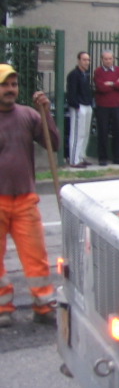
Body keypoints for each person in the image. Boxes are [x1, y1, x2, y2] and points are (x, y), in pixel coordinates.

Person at [0, 64, 61, 327]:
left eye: (13, 85)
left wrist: (45, 114)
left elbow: (53, 144)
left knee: (36, 256)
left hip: (25, 199)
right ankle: (3, 308)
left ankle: (43, 305)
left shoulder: (28, 115)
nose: (10, 90)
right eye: (5, 85)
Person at [93, 50, 119, 166]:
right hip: (103, 106)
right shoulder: (98, 72)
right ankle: (102, 158)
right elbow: (100, 87)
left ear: (113, 59)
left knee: (118, 131)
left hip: (117, 105)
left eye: (110, 58)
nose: (108, 61)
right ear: (102, 60)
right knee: (102, 132)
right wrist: (116, 84)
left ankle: (118, 157)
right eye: (105, 59)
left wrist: (111, 84)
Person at [66, 51, 93, 168]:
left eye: (88, 60)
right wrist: (76, 105)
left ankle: (81, 156)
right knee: (77, 133)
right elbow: (71, 92)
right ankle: (74, 160)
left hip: (87, 105)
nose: (87, 62)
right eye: (84, 60)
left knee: (85, 133)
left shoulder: (85, 74)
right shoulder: (74, 74)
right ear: (78, 60)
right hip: (79, 106)